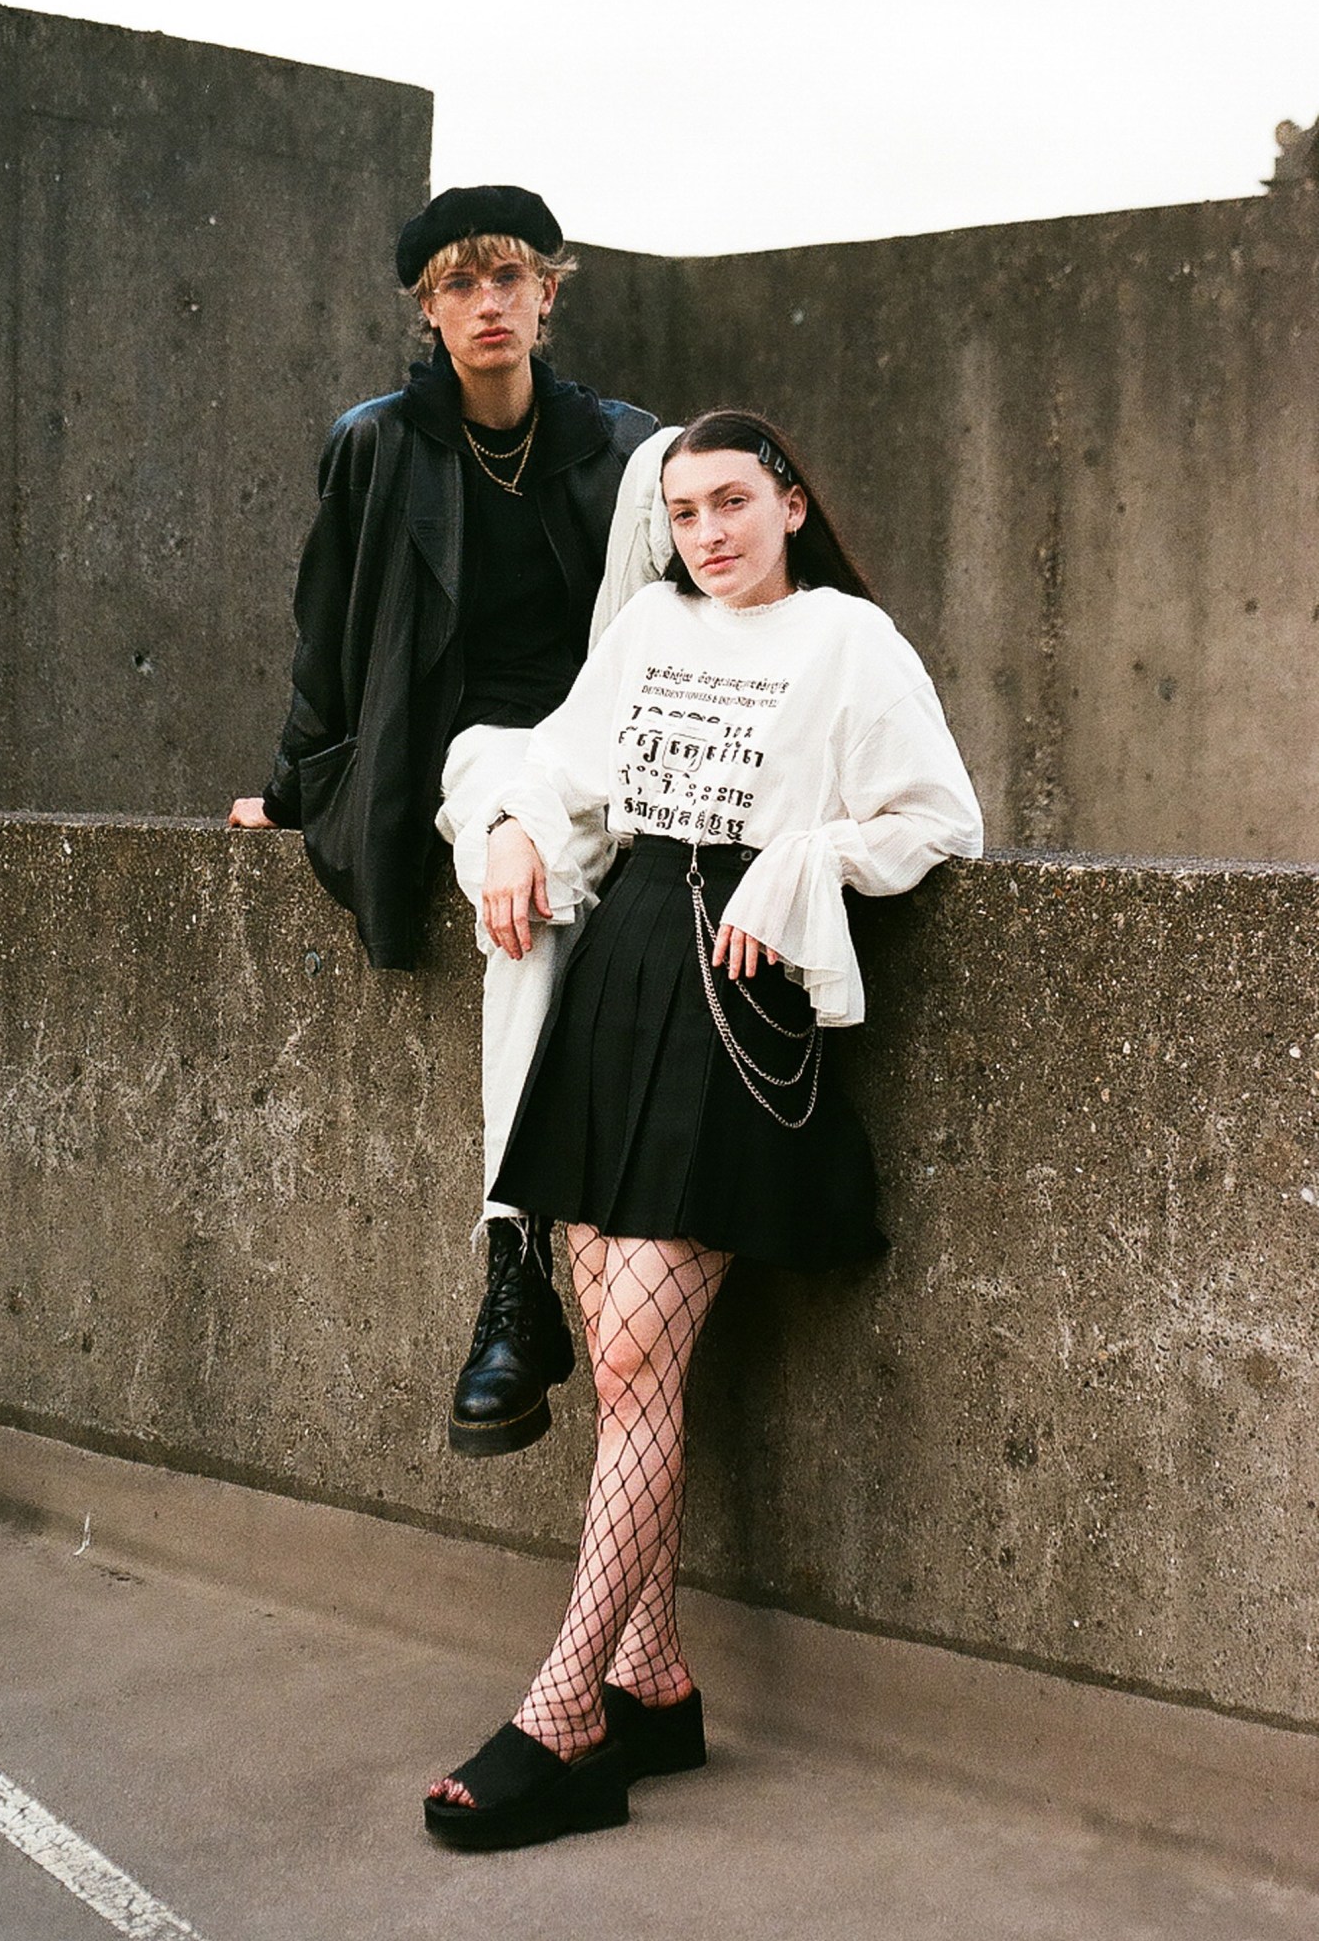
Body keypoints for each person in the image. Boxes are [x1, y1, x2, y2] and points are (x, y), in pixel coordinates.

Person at [422, 410, 984, 1850]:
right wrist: (507, 826)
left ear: (790, 502)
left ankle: (567, 1712)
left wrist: (805, 856)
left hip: (739, 998)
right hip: (617, 991)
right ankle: (655, 1681)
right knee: (630, 1368)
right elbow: (557, 763)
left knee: (628, 1353)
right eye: (683, 513)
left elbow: (937, 818)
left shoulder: (849, 642)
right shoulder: (651, 630)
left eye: (733, 502)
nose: (709, 533)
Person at [228, 184, 674, 1460]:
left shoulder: (628, 446)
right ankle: (514, 1271)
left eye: (509, 277)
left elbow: (675, 622)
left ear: (550, 289)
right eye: (458, 285)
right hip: (468, 753)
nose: (488, 303)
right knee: (515, 895)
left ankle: (518, 1292)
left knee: (538, 914)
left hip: (601, 750)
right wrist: (301, 783)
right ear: (428, 310)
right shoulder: (377, 443)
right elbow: (332, 627)